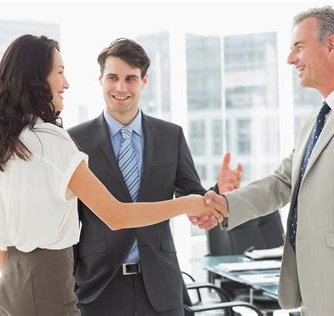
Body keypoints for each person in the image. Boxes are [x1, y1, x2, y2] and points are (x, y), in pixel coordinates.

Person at [0, 34, 224, 316]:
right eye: (59, 72)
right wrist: (188, 204)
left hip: (12, 284)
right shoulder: (52, 141)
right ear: (36, 78)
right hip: (56, 282)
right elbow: (115, 215)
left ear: (144, 81)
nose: (66, 82)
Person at [204, 6, 334, 316]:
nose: (290, 59)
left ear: (331, 45)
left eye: (298, 47)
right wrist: (226, 204)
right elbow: (282, 182)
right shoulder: (316, 120)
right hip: (318, 295)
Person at [68, 38, 243, 316]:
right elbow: (66, 218)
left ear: (144, 81)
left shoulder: (170, 136)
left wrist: (216, 192)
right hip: (98, 286)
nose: (121, 87)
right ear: (100, 79)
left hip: (161, 285)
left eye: (131, 78)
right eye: (113, 77)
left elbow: (191, 198)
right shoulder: (75, 140)